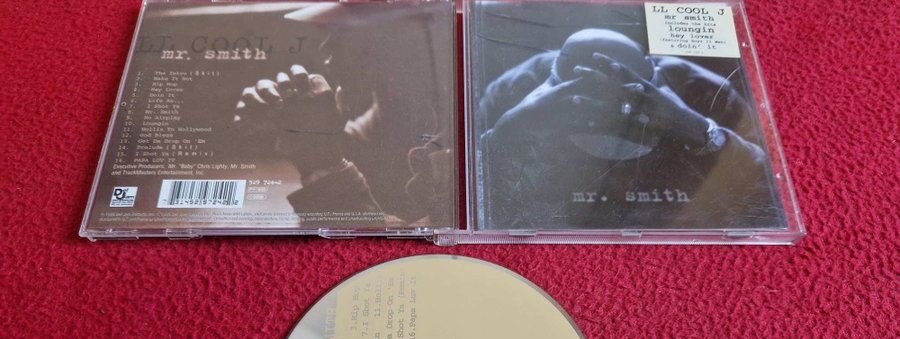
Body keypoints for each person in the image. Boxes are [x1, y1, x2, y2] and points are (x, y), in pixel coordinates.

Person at [477, 29, 781, 230]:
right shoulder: (510, 90)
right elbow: (480, 198)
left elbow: (767, 195)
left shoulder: (708, 93)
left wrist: (698, 129)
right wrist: (508, 131)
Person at [234, 3, 454, 228]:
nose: (326, 47)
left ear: (412, 40)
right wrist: (297, 124)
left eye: (347, 31)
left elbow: (406, 239)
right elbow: (366, 142)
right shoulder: (398, 99)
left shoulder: (461, 137)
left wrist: (320, 158)